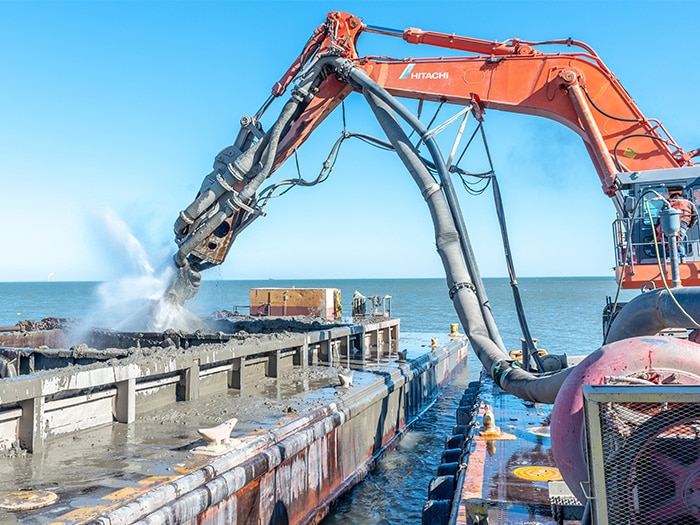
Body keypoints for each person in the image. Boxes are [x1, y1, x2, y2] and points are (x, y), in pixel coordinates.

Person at [668, 188, 698, 263]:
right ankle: (680, 257)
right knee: (679, 240)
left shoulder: (669, 203)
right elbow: (695, 215)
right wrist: (690, 224)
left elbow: (662, 213)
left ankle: (679, 257)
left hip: (672, 224)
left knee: (677, 240)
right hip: (684, 223)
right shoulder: (689, 203)